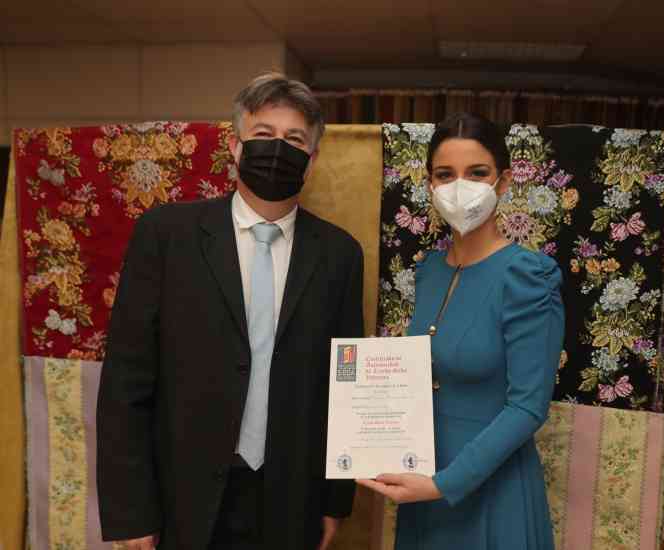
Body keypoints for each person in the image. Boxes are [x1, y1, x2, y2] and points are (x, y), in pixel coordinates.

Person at [97, 72, 363, 550]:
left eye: (294, 139)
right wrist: (130, 511)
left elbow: (344, 386)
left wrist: (334, 500)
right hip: (182, 496)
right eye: (263, 134)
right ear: (235, 146)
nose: (278, 148)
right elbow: (126, 379)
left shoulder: (340, 254)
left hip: (291, 498)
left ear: (313, 158)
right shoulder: (166, 235)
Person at [357, 113, 564, 549]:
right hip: (421, 486)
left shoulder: (528, 276)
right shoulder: (429, 270)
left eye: (477, 173)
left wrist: (443, 484)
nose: (459, 186)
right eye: (445, 174)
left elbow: (528, 407)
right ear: (430, 185)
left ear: (503, 182)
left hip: (490, 491)